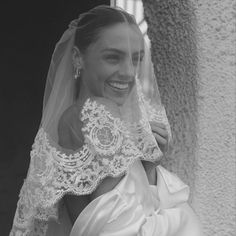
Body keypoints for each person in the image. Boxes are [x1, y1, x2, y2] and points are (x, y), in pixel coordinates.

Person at [10, 5, 203, 236]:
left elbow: (130, 211)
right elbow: (123, 229)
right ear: (78, 58)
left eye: (136, 59)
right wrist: (182, 218)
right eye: (113, 57)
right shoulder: (93, 115)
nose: (128, 72)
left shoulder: (89, 118)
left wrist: (147, 164)